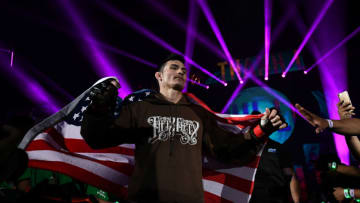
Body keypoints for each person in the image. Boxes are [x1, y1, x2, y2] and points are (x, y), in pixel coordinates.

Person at [81, 53, 288, 203]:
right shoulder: (139, 109)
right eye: (173, 67)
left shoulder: (199, 113)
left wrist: (261, 130)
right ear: (159, 76)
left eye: (183, 69)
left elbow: (228, 150)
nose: (180, 70)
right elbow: (99, 138)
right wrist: (99, 108)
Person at [249, 110, 301, 203]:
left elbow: (290, 175)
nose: (258, 126)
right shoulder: (244, 149)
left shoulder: (277, 147)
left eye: (260, 123)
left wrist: (297, 201)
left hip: (277, 198)